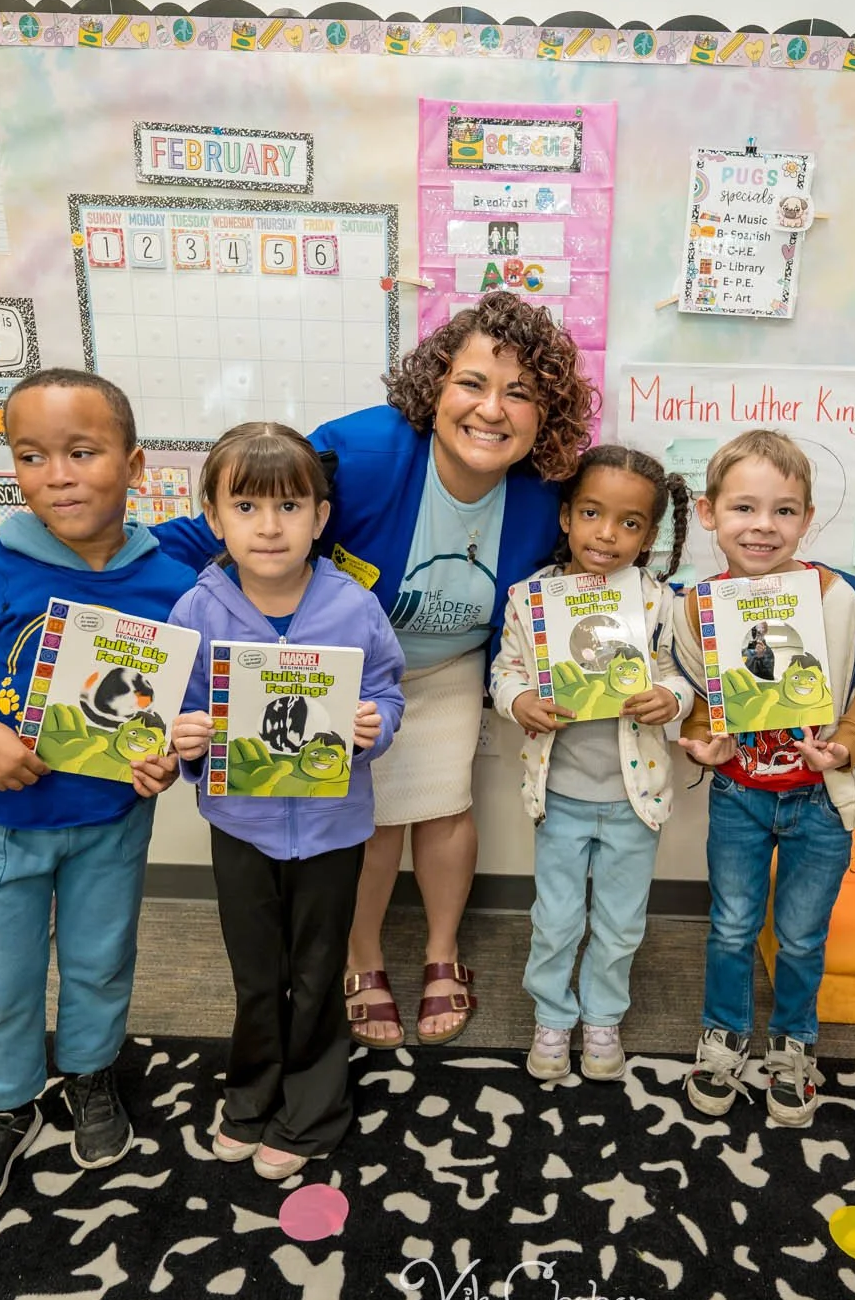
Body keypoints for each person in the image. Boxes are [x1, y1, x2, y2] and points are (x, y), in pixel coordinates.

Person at [155, 292, 594, 1045]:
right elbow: (220, 528)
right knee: (374, 820)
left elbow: (604, 563)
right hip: (343, 667)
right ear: (435, 387)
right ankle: (364, 959)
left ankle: (441, 953)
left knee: (447, 801)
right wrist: (142, 628)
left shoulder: (552, 488)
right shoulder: (359, 452)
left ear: (543, 414)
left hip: (453, 662)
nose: (492, 410)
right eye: (472, 383)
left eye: (519, 393)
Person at [0, 369, 194, 1221]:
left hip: (107, 821)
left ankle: (92, 1074)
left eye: (82, 451)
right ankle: (5, 1104)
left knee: (102, 961)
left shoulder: (169, 582)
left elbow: (171, 707)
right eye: (32, 455)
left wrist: (163, 761)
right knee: (0, 981)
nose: (57, 474)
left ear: (133, 465)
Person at [167, 423, 405, 1180]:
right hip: (242, 825)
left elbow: (385, 690)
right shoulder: (196, 611)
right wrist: (189, 737)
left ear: (320, 518)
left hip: (334, 828)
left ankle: (313, 1109)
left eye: (290, 507)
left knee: (318, 966)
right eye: (246, 506)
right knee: (255, 973)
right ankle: (250, 1095)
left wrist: (374, 725)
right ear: (215, 517)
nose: (269, 526)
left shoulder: (352, 605)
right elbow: (177, 717)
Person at [669, 431, 855, 1127]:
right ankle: (723, 1035)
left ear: (807, 520)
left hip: (819, 802)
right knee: (730, 926)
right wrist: (701, 741)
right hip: (740, 796)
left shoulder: (842, 599)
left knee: (803, 935)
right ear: (710, 513)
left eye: (784, 510)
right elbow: (693, 697)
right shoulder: (695, 607)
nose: (763, 525)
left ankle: (792, 1046)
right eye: (745, 507)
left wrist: (844, 745)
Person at [490, 447, 694, 1082]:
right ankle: (553, 1015)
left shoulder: (660, 603)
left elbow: (682, 676)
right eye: (591, 513)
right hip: (561, 796)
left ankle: (603, 1017)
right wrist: (519, 699)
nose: (607, 534)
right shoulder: (530, 599)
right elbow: (506, 672)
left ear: (651, 536)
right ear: (565, 518)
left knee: (620, 920)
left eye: (630, 523)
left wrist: (673, 698)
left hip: (637, 800)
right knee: (555, 917)